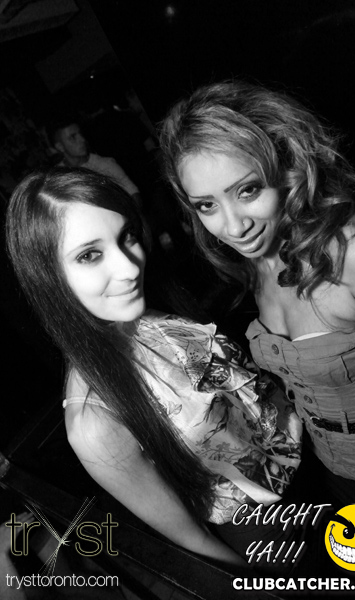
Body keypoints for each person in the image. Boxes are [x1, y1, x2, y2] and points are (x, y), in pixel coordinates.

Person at [6, 167, 302, 571]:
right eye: (90, 255)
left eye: (126, 236)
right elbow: (194, 543)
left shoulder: (142, 316)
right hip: (269, 529)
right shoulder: (94, 422)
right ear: (48, 277)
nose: (130, 268)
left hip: (308, 457)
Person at [159, 81, 355, 533]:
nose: (233, 226)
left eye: (247, 190)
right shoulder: (254, 266)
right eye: (207, 205)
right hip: (336, 476)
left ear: (288, 168)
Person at [47, 120, 143, 207]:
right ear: (60, 146)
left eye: (80, 133)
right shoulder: (58, 177)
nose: (82, 139)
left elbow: (133, 193)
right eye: (73, 137)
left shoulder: (105, 164)